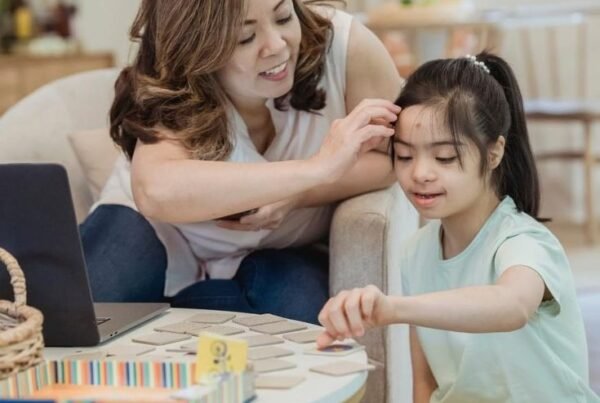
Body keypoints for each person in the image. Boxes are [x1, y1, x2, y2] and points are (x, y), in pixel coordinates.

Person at [79, 0, 403, 324]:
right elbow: (155, 192)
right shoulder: (176, 83)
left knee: (296, 317)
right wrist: (315, 168)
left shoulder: (346, 47)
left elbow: (398, 156)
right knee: (86, 313)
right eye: (245, 37)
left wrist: (301, 194)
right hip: (160, 231)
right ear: (198, 48)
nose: (276, 45)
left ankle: (170, 315)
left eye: (283, 17)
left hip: (281, 249)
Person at [317, 52, 600, 402]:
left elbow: (512, 305)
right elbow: (426, 384)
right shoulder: (416, 252)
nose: (420, 173)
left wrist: (392, 308)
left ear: (494, 153)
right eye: (404, 156)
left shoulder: (524, 243)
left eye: (444, 157)